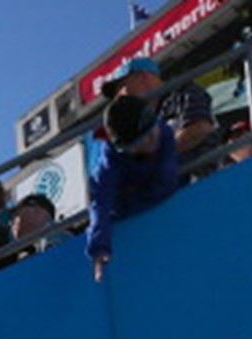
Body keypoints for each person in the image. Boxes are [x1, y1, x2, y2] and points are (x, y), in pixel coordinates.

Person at [87, 92, 180, 283]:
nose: (148, 144)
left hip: (133, 202)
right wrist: (99, 248)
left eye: (150, 135)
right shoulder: (111, 160)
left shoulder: (165, 134)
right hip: (124, 205)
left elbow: (166, 185)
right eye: (137, 144)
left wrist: (130, 203)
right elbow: (101, 202)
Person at [103, 56, 221, 160]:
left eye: (121, 87)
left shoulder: (183, 92)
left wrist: (155, 162)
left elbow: (199, 128)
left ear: (143, 76)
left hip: (207, 176)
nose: (119, 97)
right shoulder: (142, 119)